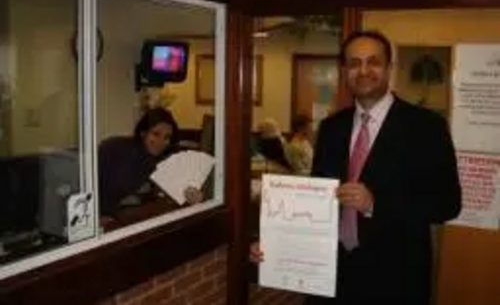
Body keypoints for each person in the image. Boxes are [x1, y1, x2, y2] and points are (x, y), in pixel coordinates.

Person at [251, 30, 462, 305]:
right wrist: (277, 245)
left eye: (373, 61)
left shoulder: (426, 127)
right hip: (330, 280)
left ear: (389, 68)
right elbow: (316, 200)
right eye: (354, 63)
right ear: (344, 71)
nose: (363, 70)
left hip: (395, 282)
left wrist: (376, 203)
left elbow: (448, 204)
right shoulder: (331, 128)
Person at [98, 107, 203, 218]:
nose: (160, 142)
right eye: (156, 134)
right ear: (143, 133)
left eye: (167, 137)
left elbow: (179, 186)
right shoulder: (118, 150)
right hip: (103, 215)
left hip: (130, 216)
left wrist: (194, 195)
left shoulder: (164, 159)